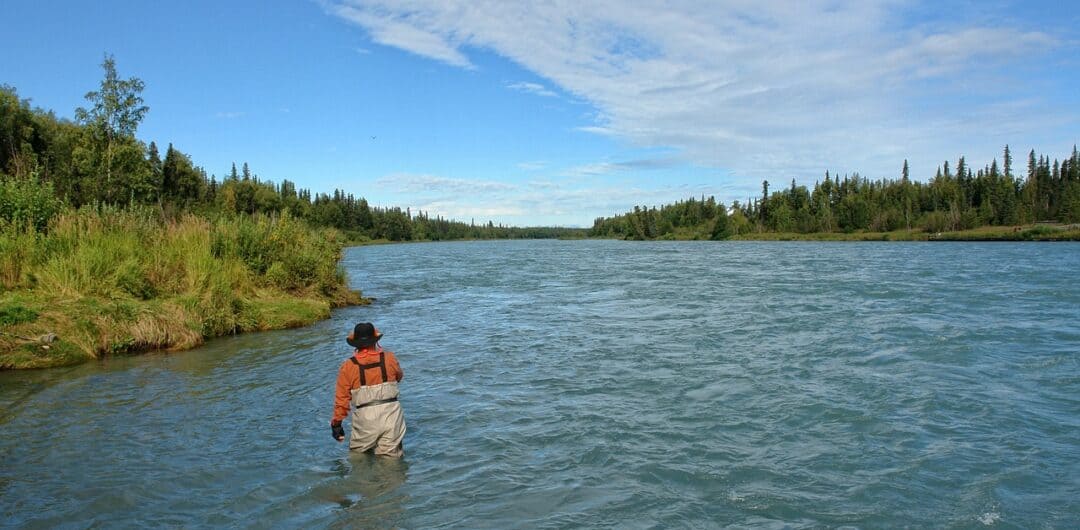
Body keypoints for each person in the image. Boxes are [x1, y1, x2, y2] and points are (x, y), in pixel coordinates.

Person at [330, 322, 406, 457]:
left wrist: (337, 425)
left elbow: (342, 400)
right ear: (375, 341)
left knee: (359, 461)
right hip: (392, 413)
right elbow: (399, 377)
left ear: (356, 344)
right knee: (391, 463)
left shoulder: (347, 366)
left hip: (365, 418)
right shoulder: (389, 358)